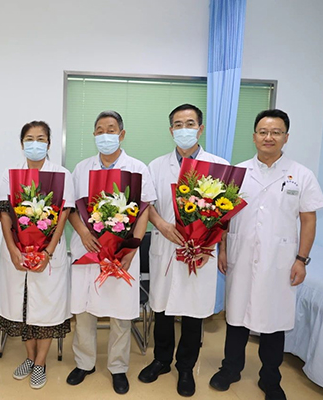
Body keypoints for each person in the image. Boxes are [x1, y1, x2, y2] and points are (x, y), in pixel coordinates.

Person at [209, 109, 323, 400]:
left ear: (286, 137)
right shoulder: (238, 173)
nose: (268, 137)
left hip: (280, 260)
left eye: (276, 132)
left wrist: (301, 260)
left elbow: (308, 220)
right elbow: (224, 217)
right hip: (240, 255)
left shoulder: (301, 175)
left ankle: (270, 379)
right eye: (263, 132)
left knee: (274, 321)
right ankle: (230, 369)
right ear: (254, 136)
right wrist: (223, 249)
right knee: (236, 315)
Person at [138, 103, 229, 397]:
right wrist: (162, 226)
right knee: (162, 308)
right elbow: (147, 206)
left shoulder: (218, 166)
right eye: (178, 124)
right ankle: (161, 360)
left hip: (201, 252)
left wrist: (209, 244)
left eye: (190, 124)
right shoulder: (156, 166)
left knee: (193, 311)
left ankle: (186, 367)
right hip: (166, 246)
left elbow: (224, 214)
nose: (184, 129)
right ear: (171, 130)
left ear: (200, 129)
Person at [67, 110, 155, 395]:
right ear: (94, 135)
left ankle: (118, 368)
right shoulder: (81, 169)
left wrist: (132, 247)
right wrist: (83, 233)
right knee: (84, 310)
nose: (105, 135)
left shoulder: (138, 168)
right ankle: (84, 363)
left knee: (120, 312)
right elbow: (70, 209)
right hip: (88, 249)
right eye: (100, 130)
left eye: (111, 129)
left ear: (122, 134)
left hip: (122, 253)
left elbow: (144, 211)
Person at [0, 121, 74, 390]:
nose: (35, 143)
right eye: (30, 138)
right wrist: (13, 249)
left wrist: (48, 252)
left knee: (46, 309)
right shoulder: (11, 175)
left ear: (49, 143)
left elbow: (63, 216)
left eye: (41, 138)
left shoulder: (62, 175)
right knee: (23, 306)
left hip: (49, 255)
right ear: (22, 143)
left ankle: (40, 363)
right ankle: (29, 358)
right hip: (17, 254)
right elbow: (5, 214)